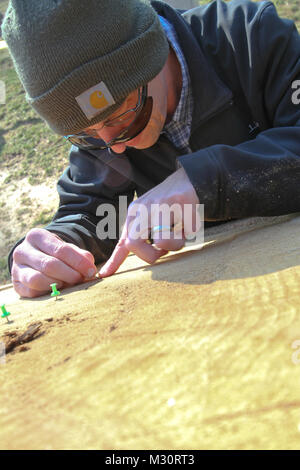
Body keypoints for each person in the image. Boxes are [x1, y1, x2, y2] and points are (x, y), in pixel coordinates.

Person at [2, 0, 300, 298]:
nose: (112, 148)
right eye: (86, 135)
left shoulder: (251, 37)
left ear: (149, 58)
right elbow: (94, 215)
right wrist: (53, 249)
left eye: (122, 117)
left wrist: (206, 181)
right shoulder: (105, 135)